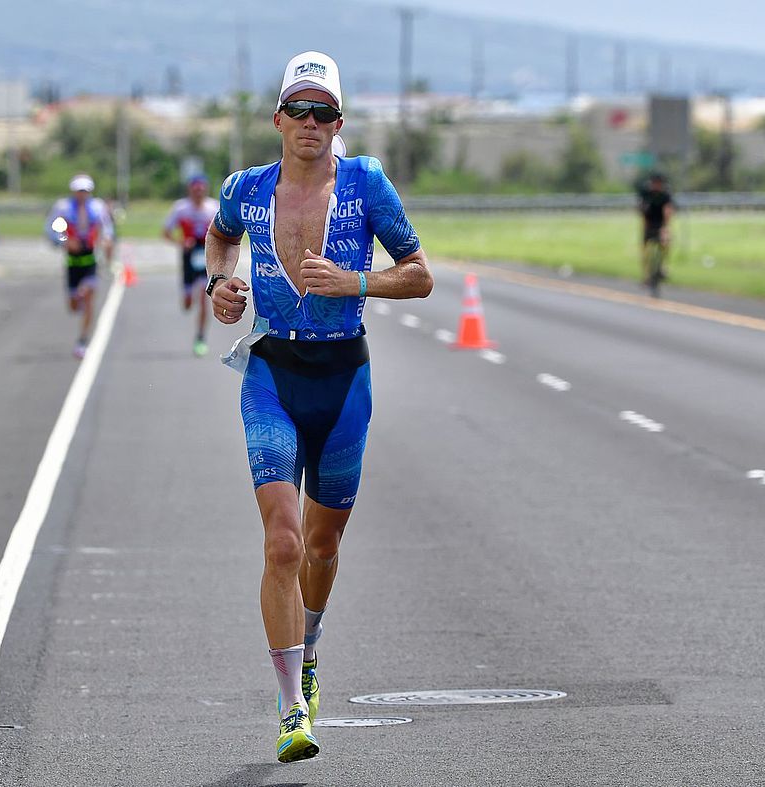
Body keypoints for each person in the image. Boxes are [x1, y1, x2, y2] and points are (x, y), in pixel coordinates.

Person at [204, 51, 432, 763]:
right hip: (272, 371)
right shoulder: (245, 189)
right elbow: (219, 237)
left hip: (342, 377)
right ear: (277, 119)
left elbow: (421, 276)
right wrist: (220, 283)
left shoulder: (366, 184)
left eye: (324, 112)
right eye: (298, 110)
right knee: (283, 539)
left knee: (323, 544)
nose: (311, 123)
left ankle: (310, 650)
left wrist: (352, 280)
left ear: (339, 123)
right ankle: (289, 707)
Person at [46, 174, 115, 359]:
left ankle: (83, 340)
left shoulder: (97, 208)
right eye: (79, 191)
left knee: (88, 295)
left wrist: (106, 242)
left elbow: (107, 228)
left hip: (90, 261)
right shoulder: (64, 208)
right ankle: (77, 298)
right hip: (72, 262)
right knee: (74, 305)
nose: (82, 195)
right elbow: (52, 229)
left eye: (85, 191)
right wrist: (65, 242)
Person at [163, 174, 219, 356]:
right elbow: (165, 232)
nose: (198, 192)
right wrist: (181, 242)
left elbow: (224, 232)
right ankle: (188, 296)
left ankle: (201, 337)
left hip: (206, 256)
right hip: (188, 257)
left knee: (204, 299)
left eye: (201, 189)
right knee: (188, 303)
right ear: (190, 190)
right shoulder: (181, 208)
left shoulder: (213, 207)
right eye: (195, 189)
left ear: (206, 189)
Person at [637, 172, 673, 295]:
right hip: (648, 223)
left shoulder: (665, 194)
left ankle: (663, 265)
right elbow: (640, 208)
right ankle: (646, 275)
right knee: (645, 250)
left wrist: (665, 227)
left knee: (666, 240)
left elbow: (668, 210)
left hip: (661, 224)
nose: (656, 185)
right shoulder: (646, 193)